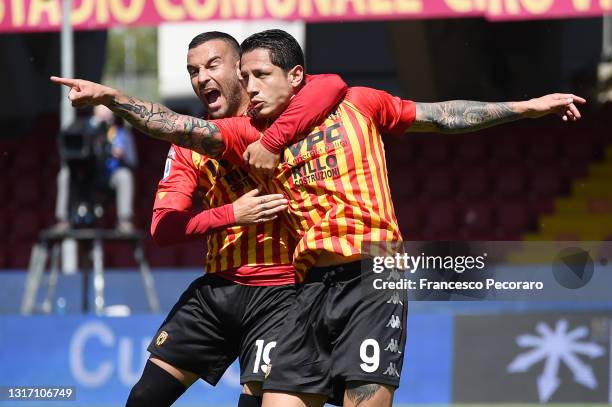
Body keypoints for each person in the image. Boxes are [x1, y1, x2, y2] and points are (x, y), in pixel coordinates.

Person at [51, 29, 586, 407]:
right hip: (306, 285)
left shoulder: (359, 102)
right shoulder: (247, 136)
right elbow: (174, 126)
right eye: (246, 78)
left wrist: (524, 107)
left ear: (296, 77)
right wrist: (117, 100)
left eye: (259, 76)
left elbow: (441, 116)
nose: (250, 88)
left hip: (374, 273)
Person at [124, 32, 347, 407]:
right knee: (144, 397)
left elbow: (333, 84)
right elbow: (163, 229)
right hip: (216, 292)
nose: (200, 78)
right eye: (193, 71)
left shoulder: (284, 122)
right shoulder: (189, 142)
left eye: (212, 65)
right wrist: (231, 214)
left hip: (281, 294)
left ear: (241, 71)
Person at [55, 105, 137, 232]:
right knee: (64, 175)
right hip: (83, 175)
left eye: (107, 108)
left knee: (124, 176)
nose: (104, 112)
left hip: (107, 176)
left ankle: (124, 221)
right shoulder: (81, 127)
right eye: (101, 108)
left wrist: (121, 155)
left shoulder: (121, 134)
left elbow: (133, 162)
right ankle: (63, 220)